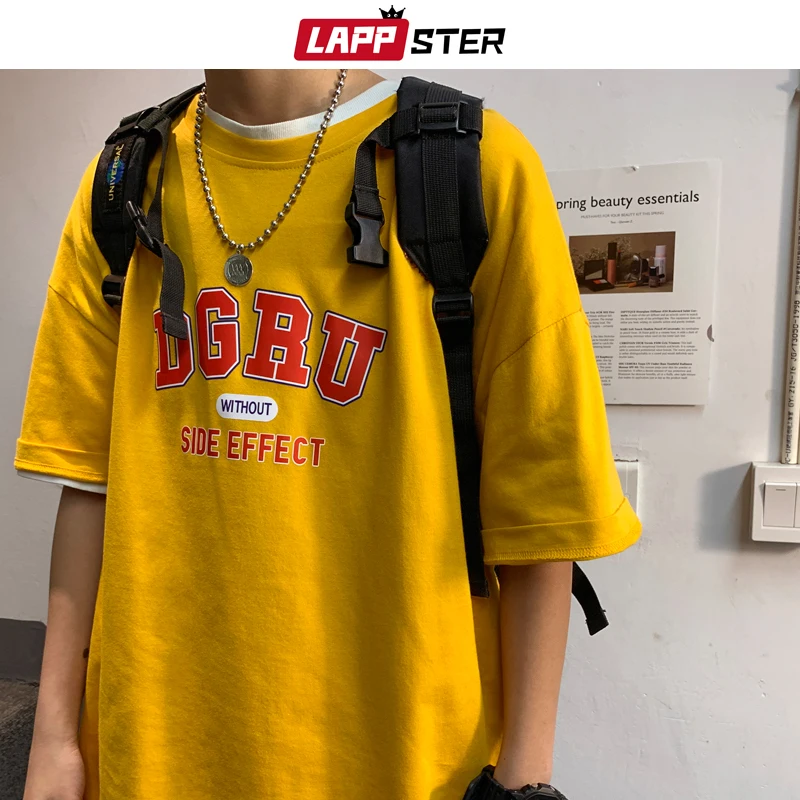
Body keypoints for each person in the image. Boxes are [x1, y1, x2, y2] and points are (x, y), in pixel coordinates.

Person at [15, 69, 641, 800]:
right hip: (150, 751)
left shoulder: (473, 166)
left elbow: (541, 516)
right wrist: (53, 738)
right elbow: (88, 483)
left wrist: (522, 785)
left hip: (406, 758)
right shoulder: (125, 180)